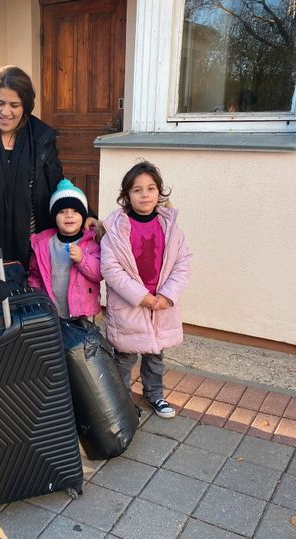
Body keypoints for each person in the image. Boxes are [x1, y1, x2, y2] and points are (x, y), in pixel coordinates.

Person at [0, 65, 95, 267]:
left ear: (25, 105)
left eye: (14, 105)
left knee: (29, 297)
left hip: (34, 248)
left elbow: (58, 185)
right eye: (0, 103)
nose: (5, 112)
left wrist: (87, 214)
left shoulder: (41, 139)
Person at [100, 161, 192, 419]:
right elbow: (110, 268)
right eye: (137, 190)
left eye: (151, 188)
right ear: (127, 195)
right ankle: (121, 400)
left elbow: (183, 262)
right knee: (125, 357)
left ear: (159, 193)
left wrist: (166, 296)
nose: (145, 195)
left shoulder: (170, 227)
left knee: (155, 355)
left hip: (161, 306)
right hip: (131, 304)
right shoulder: (116, 230)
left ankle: (155, 395)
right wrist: (141, 297)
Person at [28, 179, 102, 325]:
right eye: (62, 212)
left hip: (81, 313)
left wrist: (82, 259)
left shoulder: (90, 243)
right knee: (57, 346)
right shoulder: (43, 244)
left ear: (84, 216)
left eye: (75, 211)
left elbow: (99, 273)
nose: (69, 215)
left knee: (79, 343)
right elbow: (34, 274)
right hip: (51, 310)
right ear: (54, 217)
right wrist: (37, 298)